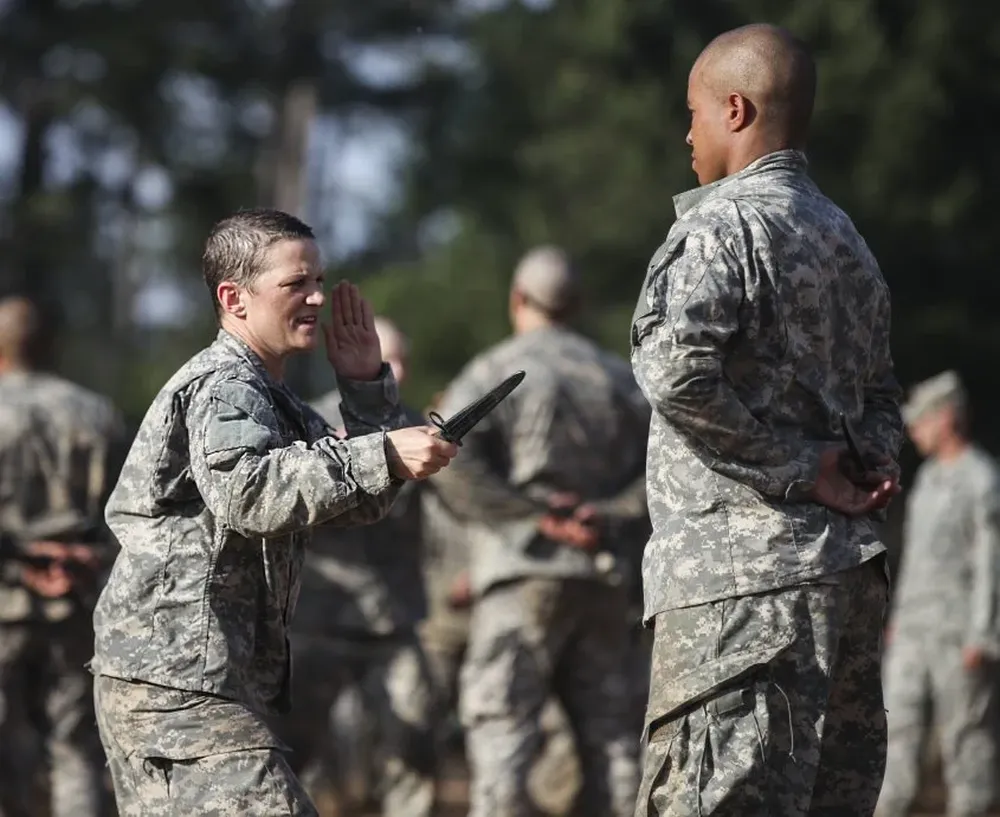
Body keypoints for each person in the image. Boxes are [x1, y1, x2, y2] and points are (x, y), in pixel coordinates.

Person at [88, 208, 458, 817]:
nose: (316, 297)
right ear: (234, 298)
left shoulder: (268, 395)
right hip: (176, 682)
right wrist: (384, 450)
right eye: (296, 284)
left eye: (319, 280)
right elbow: (252, 494)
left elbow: (355, 505)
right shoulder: (223, 385)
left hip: (205, 679)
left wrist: (366, 387)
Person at [629, 23, 904, 817]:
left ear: (737, 110)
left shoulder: (721, 227)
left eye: (694, 111)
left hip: (741, 591)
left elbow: (677, 374)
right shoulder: (847, 240)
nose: (686, 132)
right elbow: (883, 392)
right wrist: (872, 465)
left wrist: (796, 464)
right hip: (845, 583)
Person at [432, 245, 652, 817]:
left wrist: (530, 517)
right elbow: (666, 467)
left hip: (520, 573)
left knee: (504, 732)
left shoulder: (494, 371)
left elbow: (447, 458)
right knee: (612, 741)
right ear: (576, 305)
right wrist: (604, 515)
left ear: (517, 300)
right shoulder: (617, 379)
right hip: (601, 576)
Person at [274, 316, 440, 817]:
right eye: (389, 362)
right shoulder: (308, 422)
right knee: (302, 753)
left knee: (412, 749)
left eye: (405, 362)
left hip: (393, 615)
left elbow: (445, 515)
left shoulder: (421, 428)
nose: (400, 373)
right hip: (319, 617)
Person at [0, 295, 127, 817]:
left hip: (5, 602)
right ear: (49, 344)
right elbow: (130, 514)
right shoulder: (97, 412)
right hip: (79, 598)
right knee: (76, 750)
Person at [876, 371, 1000, 817]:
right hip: (913, 630)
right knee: (898, 727)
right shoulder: (927, 478)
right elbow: (916, 558)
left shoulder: (981, 479)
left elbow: (991, 565)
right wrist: (898, 618)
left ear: (945, 418)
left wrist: (982, 636)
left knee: (966, 738)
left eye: (921, 422)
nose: (914, 431)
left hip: (957, 633)